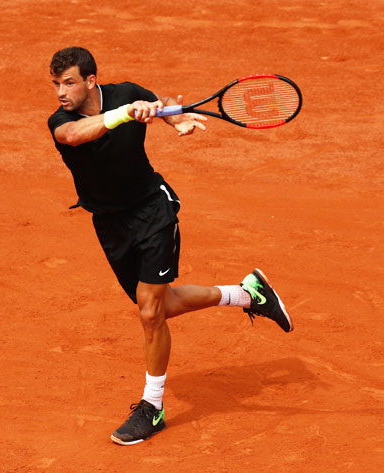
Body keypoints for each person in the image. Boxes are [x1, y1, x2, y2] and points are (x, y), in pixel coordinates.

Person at [46, 46, 294, 446]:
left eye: (69, 82)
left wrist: (172, 119)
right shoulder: (62, 121)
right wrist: (129, 113)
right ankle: (248, 294)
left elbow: (159, 106)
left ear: (91, 80)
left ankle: (153, 406)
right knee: (163, 305)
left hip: (151, 210)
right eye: (56, 83)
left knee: (149, 312)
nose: (61, 91)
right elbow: (75, 136)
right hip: (110, 224)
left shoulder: (126, 91)